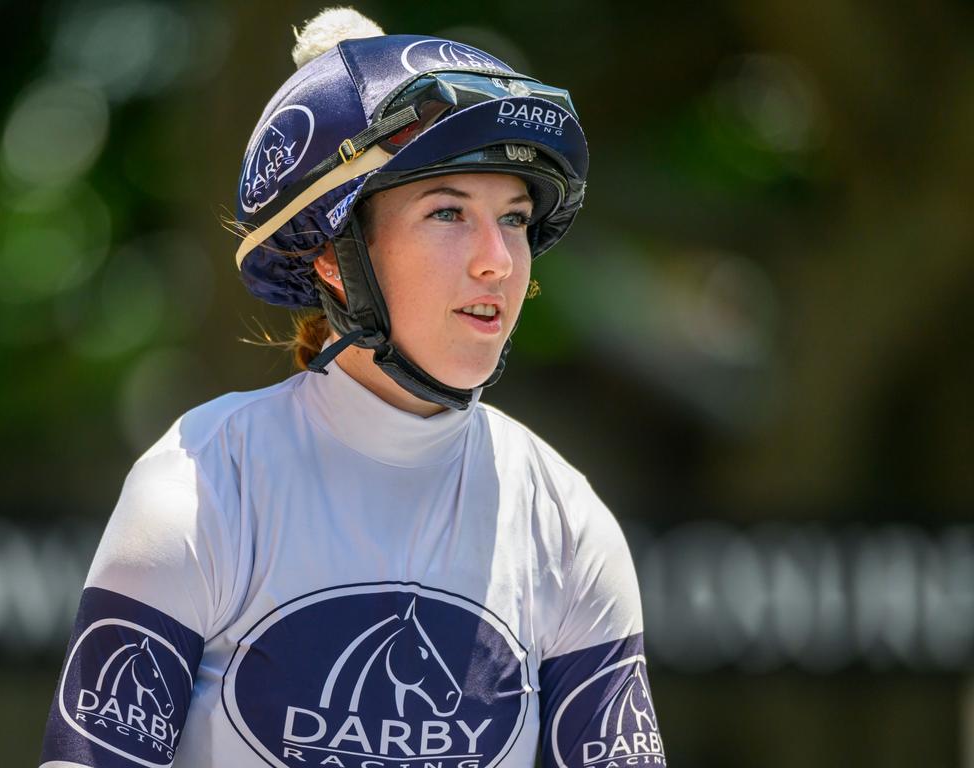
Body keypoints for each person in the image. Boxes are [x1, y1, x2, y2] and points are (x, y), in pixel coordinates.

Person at [40, 8, 666, 768]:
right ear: (334, 258)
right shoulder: (202, 485)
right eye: (447, 212)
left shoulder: (565, 522)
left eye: (513, 217)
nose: (497, 259)